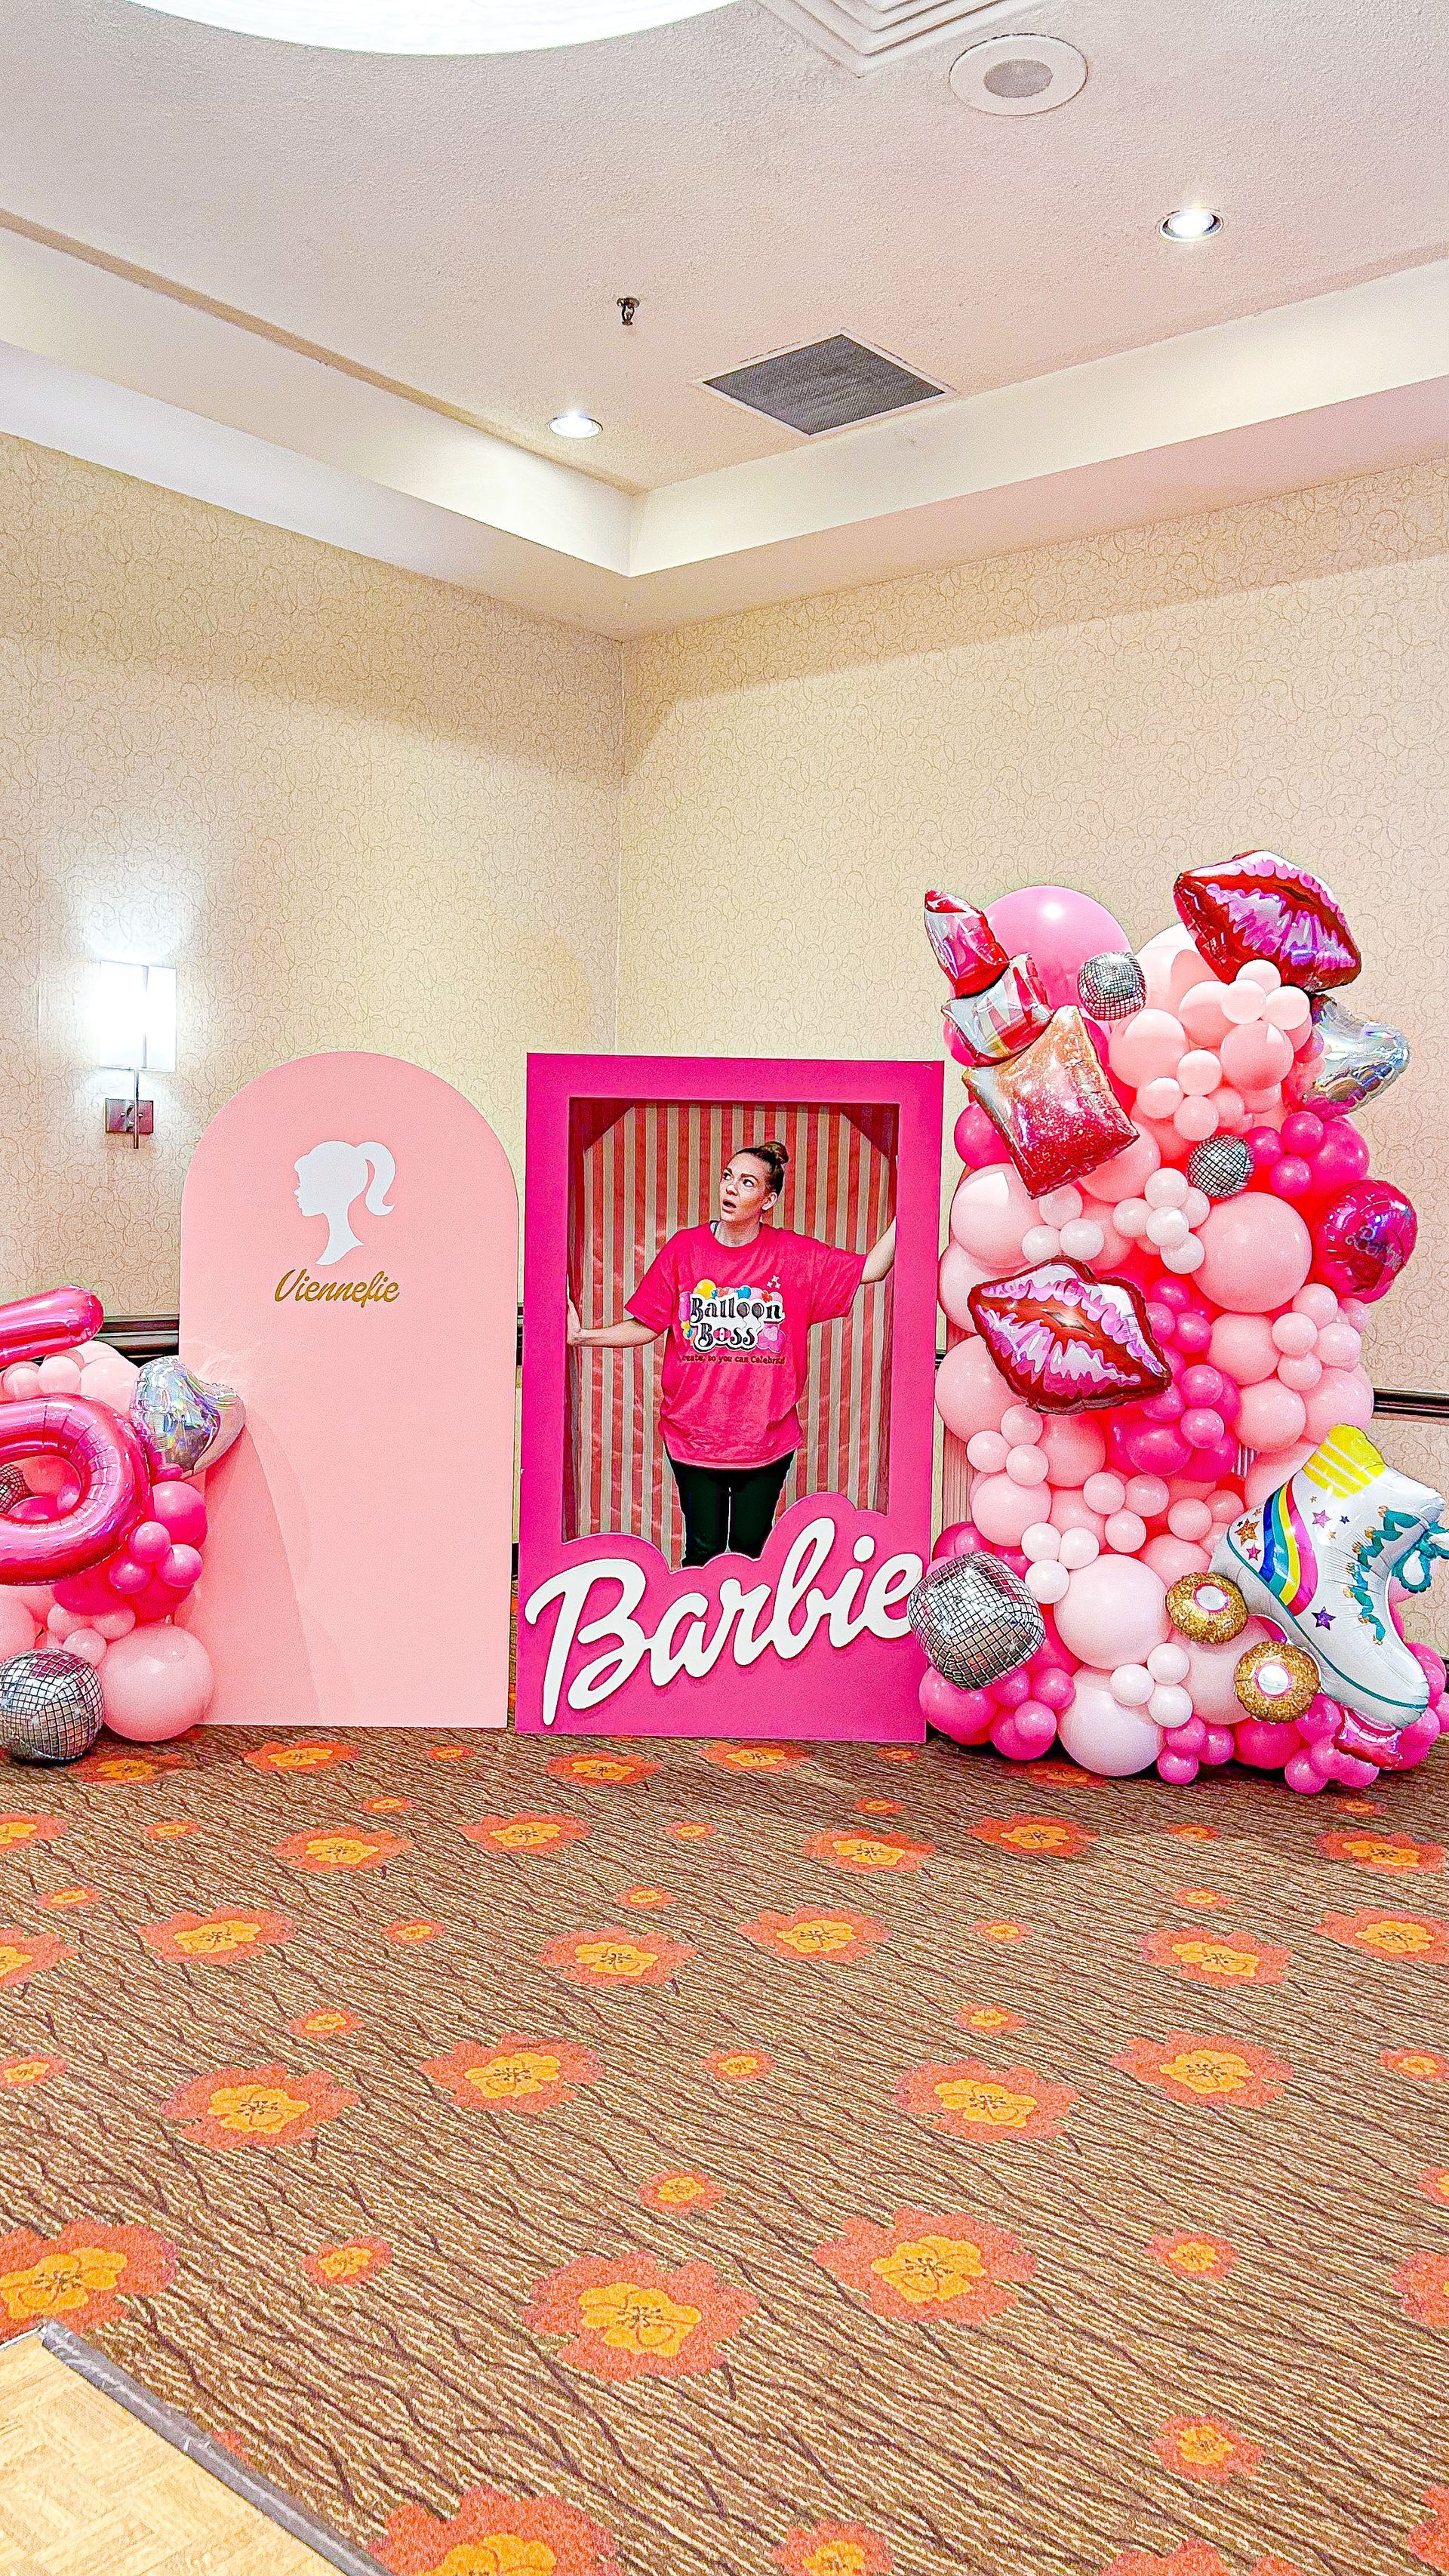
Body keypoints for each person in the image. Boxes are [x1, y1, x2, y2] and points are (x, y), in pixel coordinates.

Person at [567, 1140, 896, 1566]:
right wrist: (583, 1337)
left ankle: (744, 1634)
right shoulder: (684, 1251)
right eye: (728, 1177)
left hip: (765, 1440)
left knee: (749, 1557)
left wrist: (913, 1209)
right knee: (701, 1553)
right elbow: (647, 1325)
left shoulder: (793, 1257)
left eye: (747, 1183)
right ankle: (698, 1634)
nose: (732, 1188)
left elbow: (870, 1269)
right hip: (693, 1437)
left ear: (768, 1200)